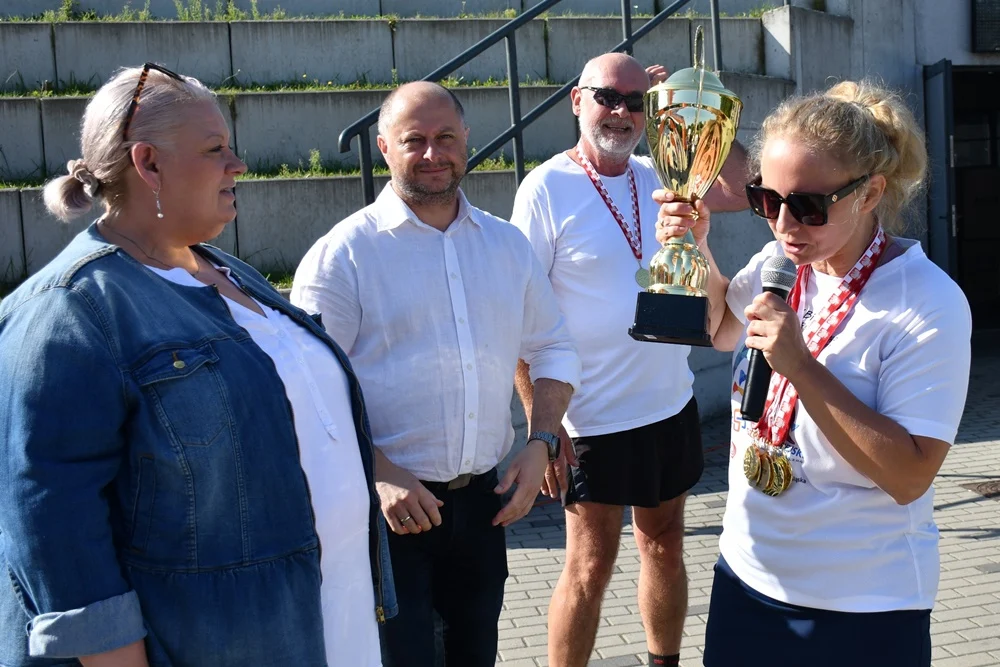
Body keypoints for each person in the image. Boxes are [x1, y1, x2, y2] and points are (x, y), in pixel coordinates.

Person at [0, 63, 394, 667]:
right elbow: (53, 526)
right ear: (148, 163)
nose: (239, 164)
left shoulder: (231, 271)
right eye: (215, 150)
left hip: (330, 625)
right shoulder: (68, 311)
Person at [654, 80, 972, 667]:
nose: (784, 224)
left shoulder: (927, 301)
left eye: (808, 206)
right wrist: (697, 248)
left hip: (861, 606)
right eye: (766, 199)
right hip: (747, 579)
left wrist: (801, 367)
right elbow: (721, 329)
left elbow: (909, 476)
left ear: (870, 192)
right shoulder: (780, 262)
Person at [291, 81, 581, 667]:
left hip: (482, 506)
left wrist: (542, 442)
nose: (432, 153)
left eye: (445, 137)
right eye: (413, 140)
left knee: (476, 655)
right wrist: (379, 473)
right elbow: (304, 391)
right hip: (388, 513)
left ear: (466, 139)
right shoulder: (344, 254)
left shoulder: (506, 246)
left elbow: (552, 346)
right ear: (383, 148)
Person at [509, 53, 750, 667]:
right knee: (590, 564)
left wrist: (688, 111)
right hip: (590, 418)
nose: (620, 113)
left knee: (665, 545)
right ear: (576, 100)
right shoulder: (546, 188)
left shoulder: (663, 173)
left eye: (636, 102)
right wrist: (544, 426)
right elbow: (519, 318)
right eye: (606, 98)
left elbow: (743, 186)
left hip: (668, 404)